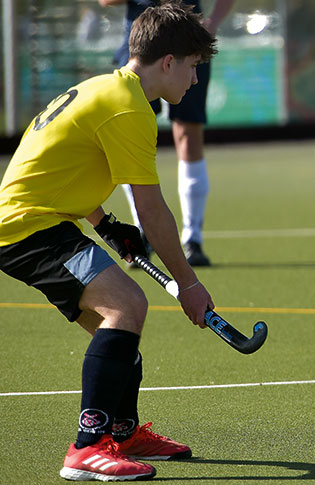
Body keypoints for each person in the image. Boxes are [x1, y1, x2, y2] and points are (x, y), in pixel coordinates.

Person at [0, 2, 217, 480]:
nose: (195, 81)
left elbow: (67, 163)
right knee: (127, 306)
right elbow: (153, 210)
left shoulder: (108, 88)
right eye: (194, 68)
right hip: (27, 227)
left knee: (116, 329)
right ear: (169, 62)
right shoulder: (129, 107)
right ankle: (87, 447)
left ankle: (123, 432)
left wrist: (105, 225)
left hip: (39, 219)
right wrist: (189, 284)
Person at [98, 0, 236, 267]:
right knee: (131, 138)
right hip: (142, 48)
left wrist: (212, 24)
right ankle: (143, 235)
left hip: (187, 43)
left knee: (188, 134)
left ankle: (192, 239)